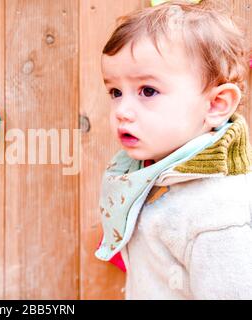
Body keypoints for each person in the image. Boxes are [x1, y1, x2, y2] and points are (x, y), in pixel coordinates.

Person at [95, 0, 252, 299]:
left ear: (216, 105)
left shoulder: (219, 216)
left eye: (148, 91)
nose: (121, 111)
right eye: (115, 92)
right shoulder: (156, 174)